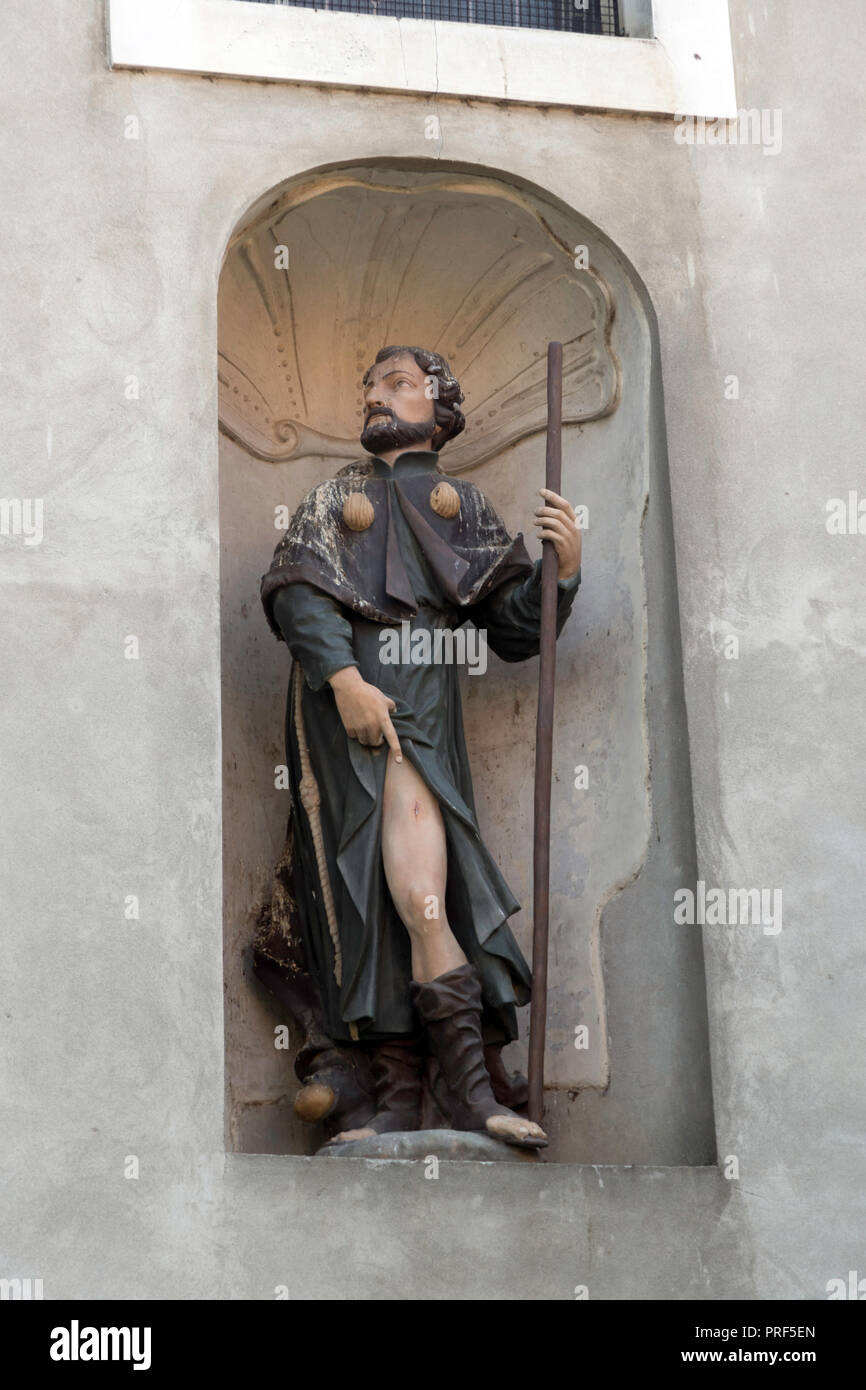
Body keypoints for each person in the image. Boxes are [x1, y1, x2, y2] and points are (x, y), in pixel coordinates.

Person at [260, 345, 581, 1148]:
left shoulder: (461, 505)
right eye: (370, 384)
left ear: (440, 407)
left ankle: (464, 1093)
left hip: (420, 719)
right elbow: (302, 595)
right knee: (366, 901)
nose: (375, 396)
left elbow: (511, 627)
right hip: (345, 726)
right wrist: (342, 679)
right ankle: (402, 1099)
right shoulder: (334, 497)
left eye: (397, 384)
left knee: (419, 892)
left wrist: (560, 573)